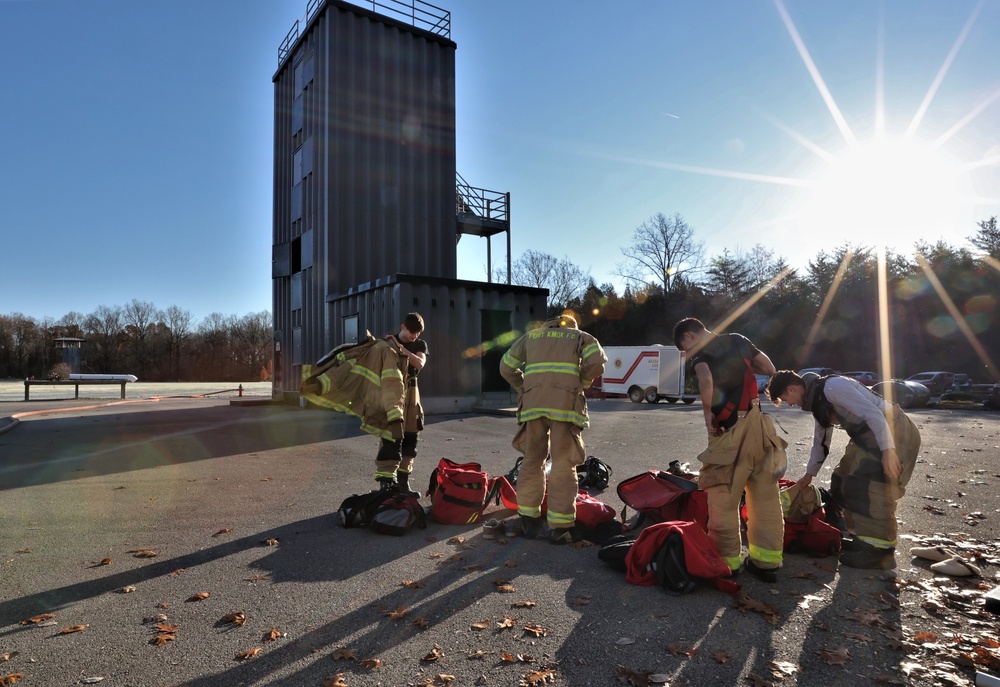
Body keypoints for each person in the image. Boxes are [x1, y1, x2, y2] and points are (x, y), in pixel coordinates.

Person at [767, 370, 920, 570]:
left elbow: (873, 413)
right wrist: (809, 475)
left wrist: (888, 451)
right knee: (842, 479)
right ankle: (861, 538)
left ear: (792, 388)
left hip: (893, 430)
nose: (789, 403)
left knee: (868, 486)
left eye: (786, 398)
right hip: (869, 435)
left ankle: (880, 551)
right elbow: (820, 441)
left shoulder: (833, 387)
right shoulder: (818, 400)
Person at [672, 317, 786, 582]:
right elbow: (768, 366)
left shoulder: (699, 353)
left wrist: (708, 414)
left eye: (684, 346)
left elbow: (706, 379)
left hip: (730, 430)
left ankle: (727, 564)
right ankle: (767, 562)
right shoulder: (738, 340)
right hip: (760, 425)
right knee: (765, 495)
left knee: (723, 495)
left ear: (689, 336)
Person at [500, 313, 606, 544]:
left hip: (533, 406)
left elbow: (505, 367)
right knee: (563, 465)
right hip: (564, 407)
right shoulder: (580, 337)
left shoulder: (531, 337)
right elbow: (597, 363)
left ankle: (529, 519)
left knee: (532, 460)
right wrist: (582, 382)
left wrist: (523, 387)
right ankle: (560, 527)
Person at [375, 313, 428, 496]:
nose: (415, 336)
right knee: (391, 438)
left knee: (410, 441)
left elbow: (420, 363)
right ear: (403, 326)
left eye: (418, 333)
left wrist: (401, 348)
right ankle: (386, 484)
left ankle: (403, 485)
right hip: (392, 395)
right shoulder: (387, 343)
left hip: (412, 394)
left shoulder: (419, 344)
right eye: (412, 332)